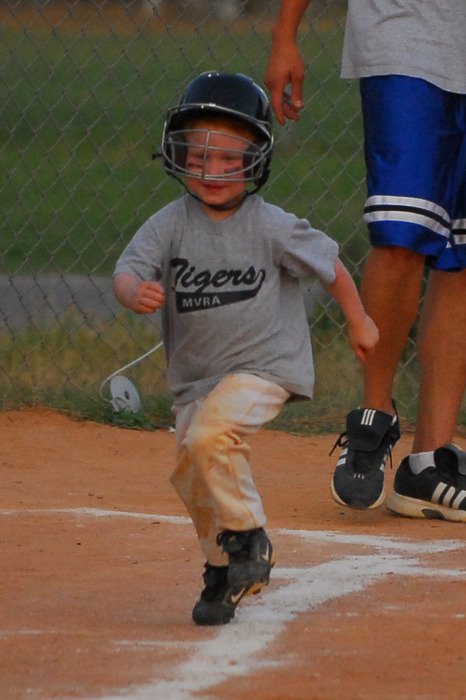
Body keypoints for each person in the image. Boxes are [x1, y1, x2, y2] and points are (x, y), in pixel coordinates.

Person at [113, 71, 378, 625]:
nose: (213, 172)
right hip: (195, 379)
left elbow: (330, 266)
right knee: (191, 470)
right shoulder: (169, 225)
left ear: (255, 160)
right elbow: (127, 270)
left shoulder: (271, 226)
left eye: (229, 159)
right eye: (200, 157)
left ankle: (250, 539)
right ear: (178, 155)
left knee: (211, 437)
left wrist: (358, 320)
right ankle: (223, 569)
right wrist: (134, 292)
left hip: (264, 366)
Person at [264, 1, 466, 521]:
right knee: (400, 234)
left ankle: (429, 463)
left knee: (462, 254)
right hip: (408, 33)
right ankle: (374, 416)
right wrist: (286, 33)